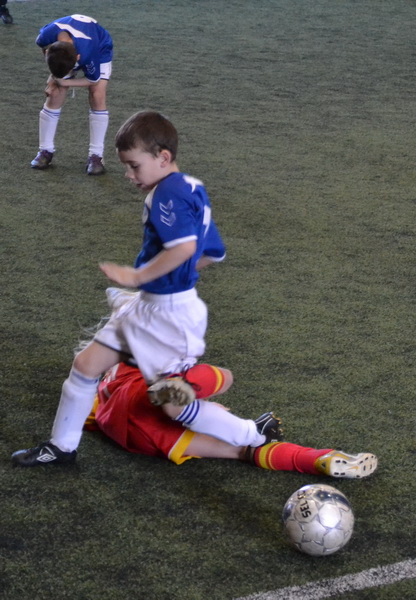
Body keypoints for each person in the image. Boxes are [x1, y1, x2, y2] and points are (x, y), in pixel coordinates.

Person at [12, 111, 228, 467]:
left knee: (173, 404)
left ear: (163, 157)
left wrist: (138, 277)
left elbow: (185, 249)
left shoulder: (169, 193)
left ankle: (251, 435)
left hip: (168, 313)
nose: (129, 175)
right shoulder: (191, 187)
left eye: (134, 166)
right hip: (151, 305)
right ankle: (62, 447)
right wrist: (163, 280)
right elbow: (213, 252)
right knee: (86, 365)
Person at [13, 360, 378, 480]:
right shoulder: (127, 359)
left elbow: (84, 412)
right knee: (220, 378)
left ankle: (307, 455)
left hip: (130, 434)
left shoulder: (93, 393)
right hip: (144, 400)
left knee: (239, 450)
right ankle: (314, 457)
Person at [30, 14, 113, 175]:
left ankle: (96, 156)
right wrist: (54, 78)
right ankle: (45, 150)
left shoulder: (88, 52)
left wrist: (63, 82)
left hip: (100, 47)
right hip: (67, 49)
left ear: (78, 58)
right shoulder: (45, 36)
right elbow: (44, 49)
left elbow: (93, 80)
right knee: (54, 94)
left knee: (97, 94)